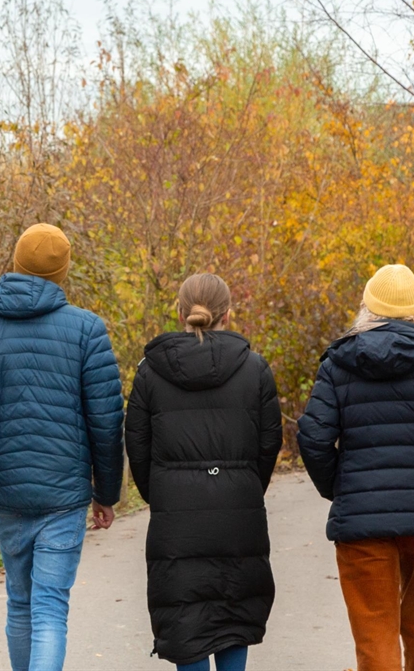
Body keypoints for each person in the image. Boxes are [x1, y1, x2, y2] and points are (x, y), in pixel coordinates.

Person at [0, 223, 125, 671]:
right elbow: (106, 421)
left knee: (20, 602)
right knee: (49, 608)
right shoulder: (87, 330)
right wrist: (106, 492)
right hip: (64, 495)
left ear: (16, 263)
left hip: (8, 492)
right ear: (62, 272)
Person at [297, 264, 414, 671]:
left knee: (374, 633)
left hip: (362, 522)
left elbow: (313, 437)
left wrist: (341, 487)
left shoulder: (338, 363)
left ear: (367, 308)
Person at [124, 273, 282, 671]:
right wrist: (243, 487)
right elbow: (268, 446)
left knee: (186, 622)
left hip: (176, 520)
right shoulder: (255, 369)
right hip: (238, 515)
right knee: (233, 618)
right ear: (229, 313)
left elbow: (138, 450)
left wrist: (162, 494)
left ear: (180, 311)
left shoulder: (150, 373)